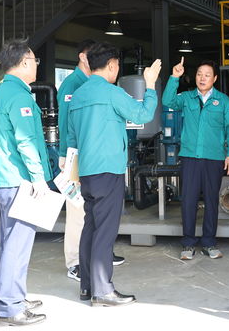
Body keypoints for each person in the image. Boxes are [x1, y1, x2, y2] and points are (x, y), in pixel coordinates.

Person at [67, 42, 161, 307]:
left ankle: (87, 287)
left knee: (91, 228)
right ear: (110, 65)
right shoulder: (111, 92)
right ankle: (103, 290)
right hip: (108, 170)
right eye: (118, 65)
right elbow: (142, 114)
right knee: (105, 232)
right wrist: (150, 85)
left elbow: (72, 137)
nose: (118, 70)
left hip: (85, 172)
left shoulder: (79, 95)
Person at [0, 40, 51, 326]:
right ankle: (10, 308)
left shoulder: (2, 92)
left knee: (9, 240)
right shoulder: (20, 96)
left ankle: (9, 295)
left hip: (6, 178)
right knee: (17, 244)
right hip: (20, 180)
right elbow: (25, 141)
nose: (37, 64)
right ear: (24, 61)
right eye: (35, 60)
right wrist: (38, 178)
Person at [57, 40, 127, 283]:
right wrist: (65, 157)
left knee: (93, 215)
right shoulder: (73, 84)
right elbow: (67, 124)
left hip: (88, 156)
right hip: (75, 156)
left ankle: (98, 256)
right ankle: (75, 262)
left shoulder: (90, 85)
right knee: (79, 213)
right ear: (82, 57)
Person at [162, 57, 229, 260]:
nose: (202, 78)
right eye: (199, 74)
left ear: (214, 79)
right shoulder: (186, 98)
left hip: (214, 158)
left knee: (212, 200)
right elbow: (167, 101)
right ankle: (188, 243)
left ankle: (209, 243)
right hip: (190, 157)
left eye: (207, 75)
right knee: (188, 200)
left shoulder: (223, 101)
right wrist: (174, 78)